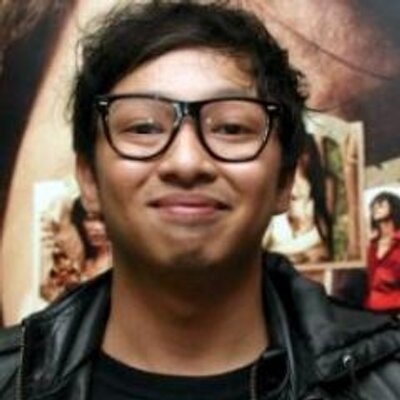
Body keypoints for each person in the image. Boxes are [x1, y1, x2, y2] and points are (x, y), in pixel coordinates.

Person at [0, 2, 399, 399]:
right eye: (143, 127)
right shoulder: (12, 380)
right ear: (88, 179)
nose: (187, 163)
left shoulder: (383, 383)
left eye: (231, 128)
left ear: (285, 181)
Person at [263, 133, 333, 264]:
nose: (301, 158)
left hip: (312, 239)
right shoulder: (277, 181)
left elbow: (324, 227)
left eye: (304, 153)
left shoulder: (323, 183)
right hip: (284, 238)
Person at [365, 191, 400, 313]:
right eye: (373, 206)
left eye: (380, 204)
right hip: (372, 309)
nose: (376, 207)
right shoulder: (372, 245)